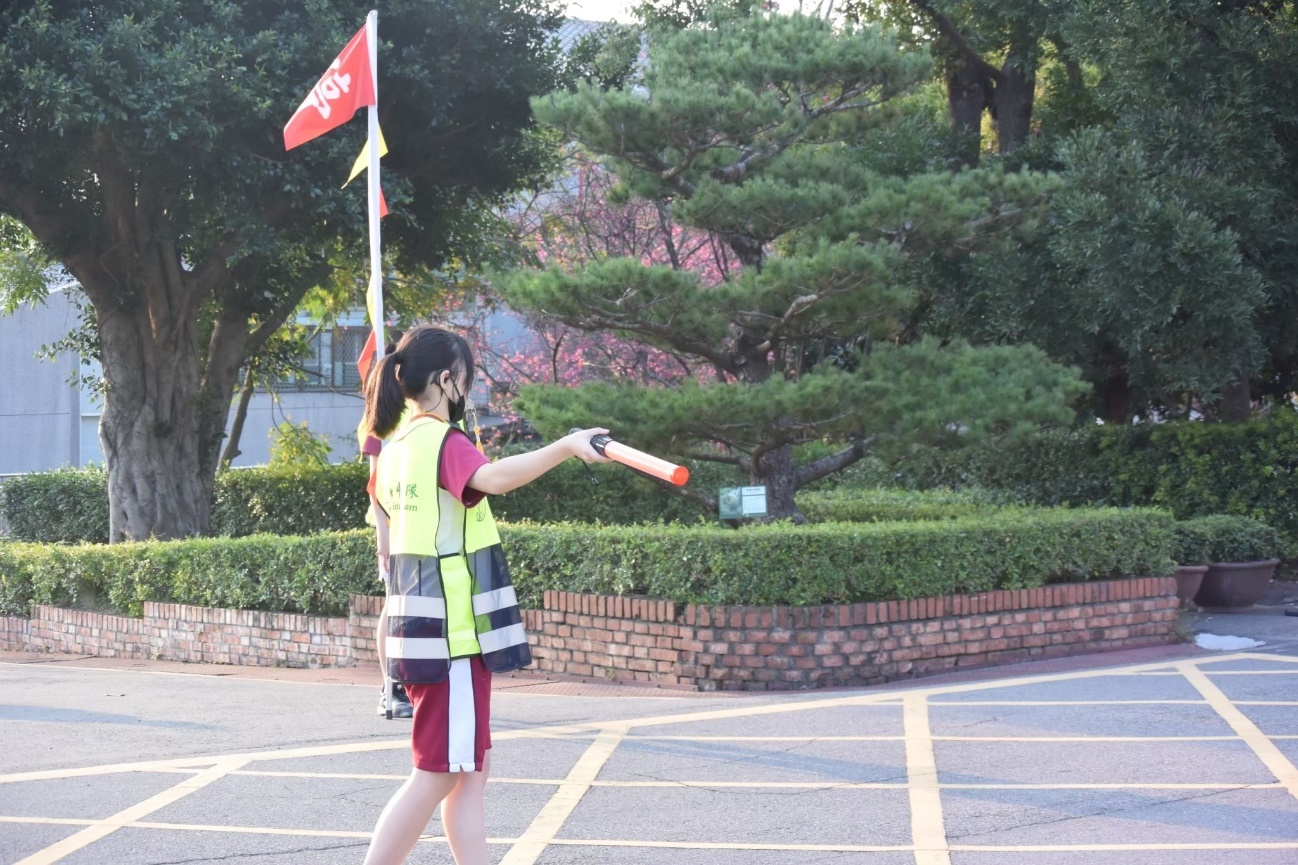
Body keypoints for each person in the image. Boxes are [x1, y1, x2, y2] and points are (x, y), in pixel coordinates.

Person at [360, 324, 607, 865]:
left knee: (468, 771)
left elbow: (383, 527)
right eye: (468, 378)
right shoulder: (441, 442)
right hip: (454, 634)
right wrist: (566, 446)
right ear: (448, 380)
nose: (472, 389)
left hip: (424, 627)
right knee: (438, 773)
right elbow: (492, 479)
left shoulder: (394, 447)